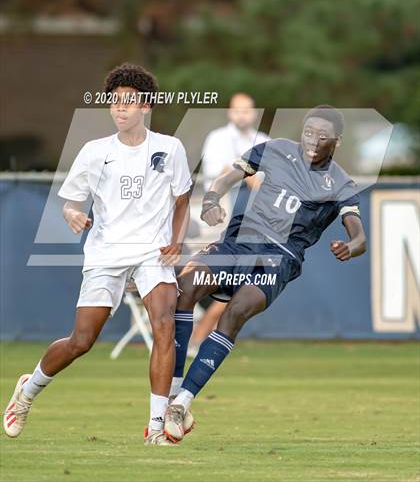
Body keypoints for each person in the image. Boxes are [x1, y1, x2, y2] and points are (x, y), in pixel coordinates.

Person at [3, 63, 192, 446]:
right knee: (82, 341)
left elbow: (183, 200)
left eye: (129, 102)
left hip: (152, 252)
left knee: (164, 326)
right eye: (115, 102)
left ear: (146, 106)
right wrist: (74, 214)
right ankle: (28, 390)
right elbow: (70, 202)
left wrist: (176, 240)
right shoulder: (94, 152)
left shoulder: (169, 148)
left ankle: (155, 427)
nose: (120, 109)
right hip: (106, 251)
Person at [163, 105, 367, 442]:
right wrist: (212, 198)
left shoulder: (341, 183)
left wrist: (353, 244)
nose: (313, 140)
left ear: (337, 142)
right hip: (240, 242)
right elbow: (227, 177)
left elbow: (359, 235)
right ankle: (172, 390)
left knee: (235, 312)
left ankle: (182, 403)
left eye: (322, 136)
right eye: (308, 132)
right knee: (184, 289)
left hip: (279, 259)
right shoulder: (275, 150)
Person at [188, 94, 270, 353]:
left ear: (254, 113)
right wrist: (246, 176)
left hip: (252, 223)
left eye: (247, 110)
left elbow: (269, 183)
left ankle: (199, 336)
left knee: (237, 281)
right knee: (200, 275)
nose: (242, 115)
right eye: (237, 110)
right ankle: (189, 330)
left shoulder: (265, 141)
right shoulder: (218, 138)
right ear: (229, 113)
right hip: (218, 217)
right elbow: (218, 175)